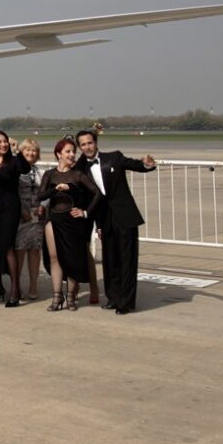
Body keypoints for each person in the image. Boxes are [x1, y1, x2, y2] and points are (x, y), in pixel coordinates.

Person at [76, 129, 157, 315]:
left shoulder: (114, 157)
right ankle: (113, 298)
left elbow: (136, 165)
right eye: (83, 144)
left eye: (90, 143)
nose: (87, 147)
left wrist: (147, 165)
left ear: (96, 143)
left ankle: (125, 302)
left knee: (127, 259)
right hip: (104, 218)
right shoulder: (81, 168)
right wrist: (98, 224)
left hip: (125, 214)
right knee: (110, 260)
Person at [38, 138, 102, 312]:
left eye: (73, 151)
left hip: (73, 222)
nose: (72, 154)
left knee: (73, 259)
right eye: (68, 151)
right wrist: (56, 189)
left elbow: (97, 194)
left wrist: (85, 212)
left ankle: (71, 296)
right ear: (59, 154)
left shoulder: (78, 175)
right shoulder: (50, 174)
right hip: (54, 220)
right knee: (54, 258)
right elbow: (40, 196)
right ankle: (57, 296)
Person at [0, 128, 25, 307]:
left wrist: (18, 151)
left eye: (5, 141)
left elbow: (25, 168)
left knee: (7, 247)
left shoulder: (13, 161)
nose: (3, 145)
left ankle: (15, 290)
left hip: (9, 207)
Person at [14, 139, 45, 302]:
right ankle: (17, 286)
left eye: (34, 150)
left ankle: (33, 285)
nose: (31, 153)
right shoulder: (16, 170)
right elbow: (11, 192)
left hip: (36, 216)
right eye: (27, 150)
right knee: (19, 251)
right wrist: (21, 210)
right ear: (21, 152)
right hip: (20, 216)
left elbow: (45, 192)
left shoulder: (39, 171)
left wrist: (43, 206)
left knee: (34, 251)